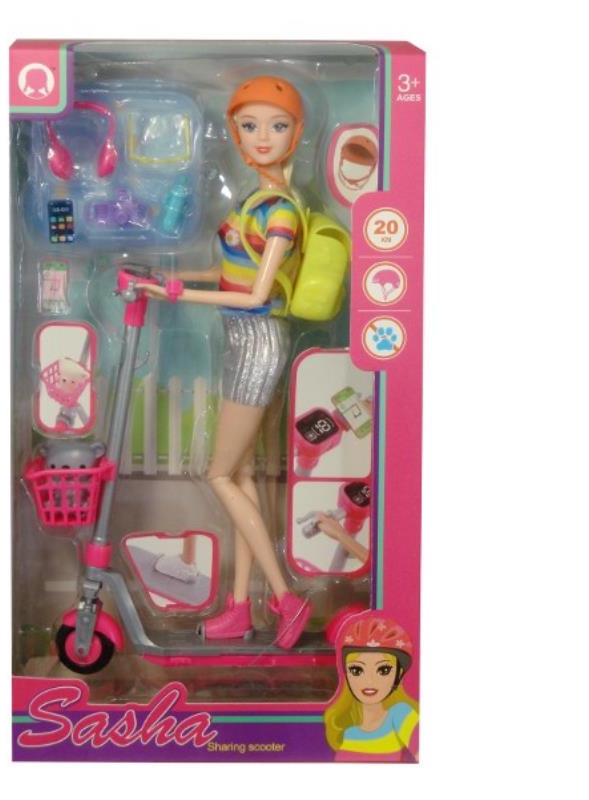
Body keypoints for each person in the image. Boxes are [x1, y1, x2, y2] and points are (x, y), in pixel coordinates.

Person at [144, 76, 311, 649]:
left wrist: (177, 295)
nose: (263, 137)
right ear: (236, 134)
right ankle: (240, 608)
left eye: (277, 125)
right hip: (241, 340)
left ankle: (285, 598)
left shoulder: (281, 212)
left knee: (216, 473)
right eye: (250, 125)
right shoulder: (251, 202)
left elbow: (256, 295)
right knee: (240, 474)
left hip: (258, 338)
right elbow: (230, 274)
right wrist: (170, 278)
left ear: (296, 134)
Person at [323, 616, 419, 761]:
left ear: (398, 674)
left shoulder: (400, 714)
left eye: (383, 670)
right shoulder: (349, 732)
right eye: (357, 670)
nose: (369, 680)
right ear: (347, 674)